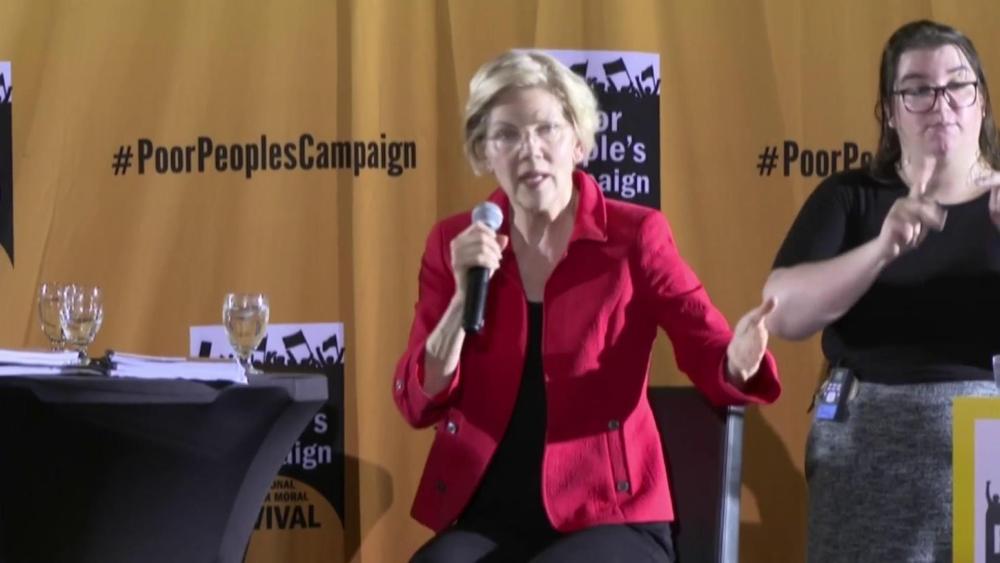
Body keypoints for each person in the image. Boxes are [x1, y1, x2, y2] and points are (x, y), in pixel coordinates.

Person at [392, 50, 781, 563]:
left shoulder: (634, 235)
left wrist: (738, 361)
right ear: (484, 152)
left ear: (578, 142)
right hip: (491, 514)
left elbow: (703, 342)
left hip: (611, 512)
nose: (530, 150)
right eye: (507, 135)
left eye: (546, 129)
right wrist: (463, 297)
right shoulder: (455, 242)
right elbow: (419, 401)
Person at [764, 19, 1000, 562]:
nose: (941, 103)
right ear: (891, 112)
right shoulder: (852, 196)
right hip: (867, 443)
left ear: (982, 101)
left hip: (989, 438)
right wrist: (879, 251)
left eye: (957, 85)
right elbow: (781, 313)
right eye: (918, 89)